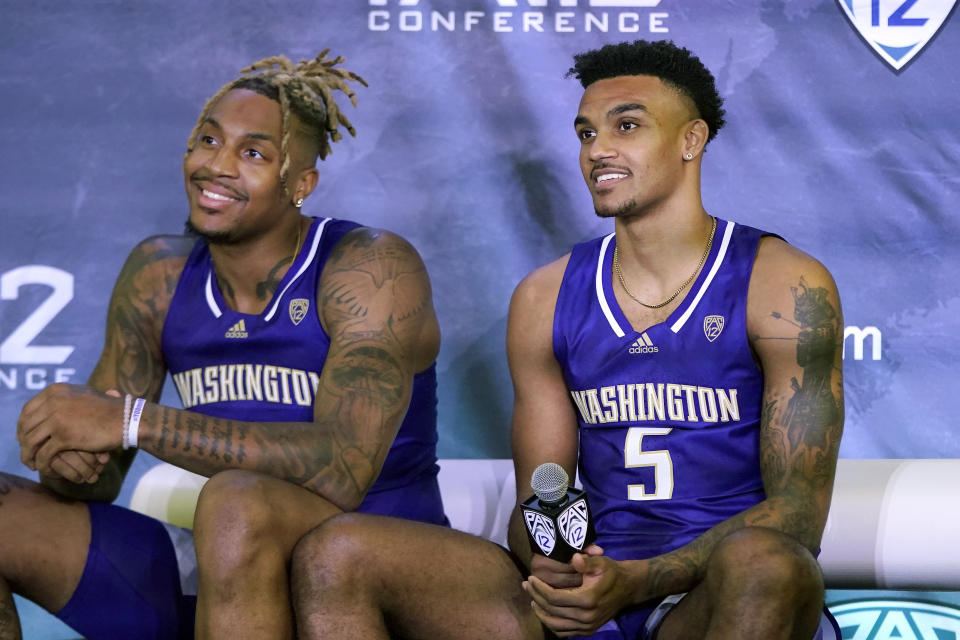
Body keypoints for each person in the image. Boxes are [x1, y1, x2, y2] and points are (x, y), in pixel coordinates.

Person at [289, 39, 845, 640]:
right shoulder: (545, 296)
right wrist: (557, 565)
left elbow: (798, 518)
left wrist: (640, 579)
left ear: (692, 140)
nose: (598, 150)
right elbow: (543, 495)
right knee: (337, 551)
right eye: (585, 134)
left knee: (764, 563)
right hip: (597, 594)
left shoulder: (782, 281)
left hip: (711, 598)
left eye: (626, 126)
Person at [3, 49, 447, 640]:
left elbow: (342, 470)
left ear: (300, 184)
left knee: (238, 502)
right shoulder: (158, 274)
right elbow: (104, 472)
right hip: (228, 570)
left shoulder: (367, 266)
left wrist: (131, 422)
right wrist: (68, 456)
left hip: (366, 559)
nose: (217, 166)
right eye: (208, 141)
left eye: (254, 153)